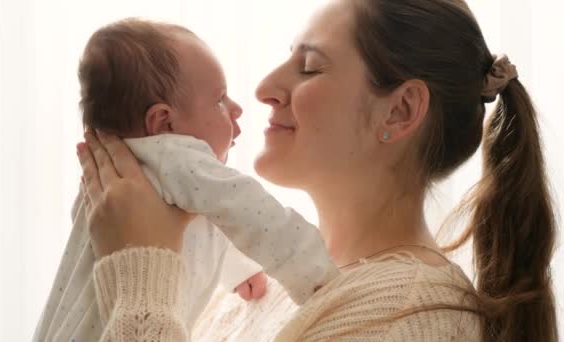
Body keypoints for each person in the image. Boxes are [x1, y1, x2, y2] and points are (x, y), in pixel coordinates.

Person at [76, 0, 558, 341]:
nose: (264, 87)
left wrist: (140, 272)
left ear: (400, 110)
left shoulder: (407, 322)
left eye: (309, 67)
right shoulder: (262, 288)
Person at [34, 18, 339, 342]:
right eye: (220, 99)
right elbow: (249, 210)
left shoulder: (115, 175)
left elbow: (212, 222)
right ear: (163, 122)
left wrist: (239, 270)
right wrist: (315, 273)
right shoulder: (175, 157)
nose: (237, 109)